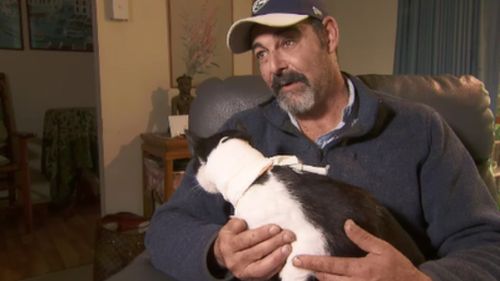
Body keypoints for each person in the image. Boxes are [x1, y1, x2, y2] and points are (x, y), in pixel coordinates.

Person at [146, 0, 500, 280]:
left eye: (286, 41)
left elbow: (487, 245)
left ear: (329, 36)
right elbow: (165, 229)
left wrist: (419, 279)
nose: (275, 67)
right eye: (261, 53)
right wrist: (217, 251)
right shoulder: (239, 136)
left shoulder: (419, 129)